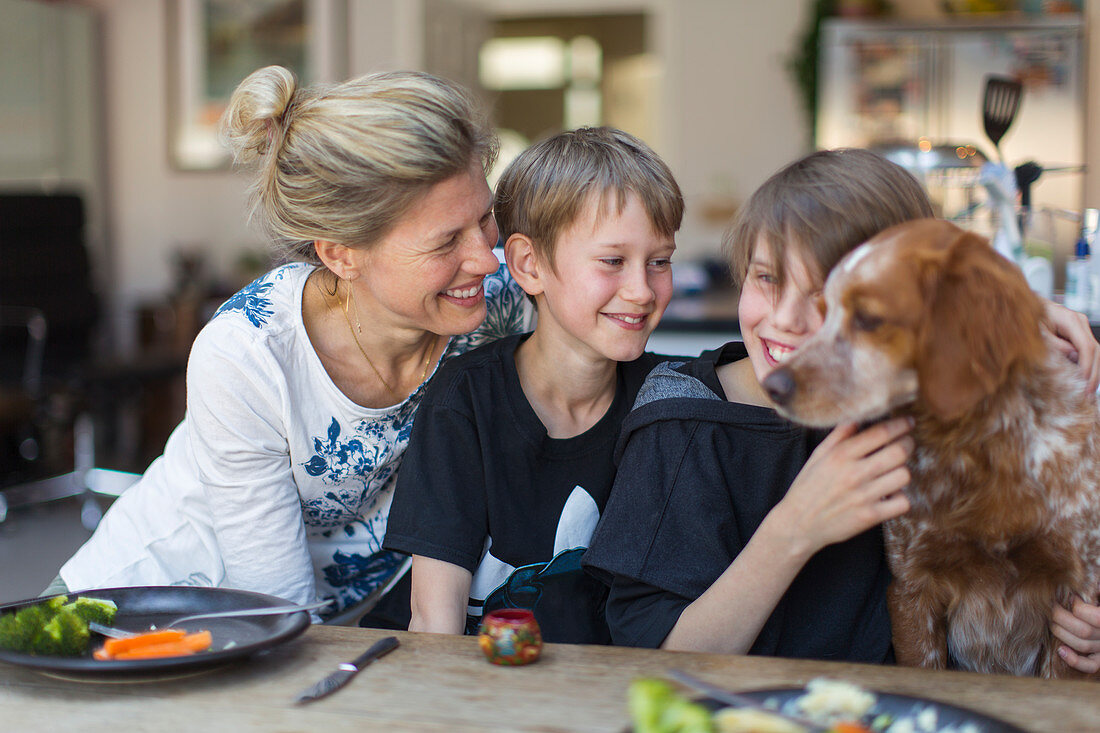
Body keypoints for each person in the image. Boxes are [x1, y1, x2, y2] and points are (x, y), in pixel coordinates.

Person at [582, 148, 1100, 670]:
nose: (784, 320)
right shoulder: (683, 424)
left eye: (830, 296)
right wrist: (797, 527)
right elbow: (651, 661)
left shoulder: (911, 400)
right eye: (767, 278)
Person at [51, 66, 532, 626]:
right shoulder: (249, 355)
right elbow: (278, 605)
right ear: (341, 254)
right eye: (446, 241)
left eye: (484, 217)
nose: (482, 257)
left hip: (336, 618)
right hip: (159, 600)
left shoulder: (490, 302)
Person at [382, 127, 683, 643]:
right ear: (529, 264)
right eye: (613, 261)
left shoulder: (668, 401)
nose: (640, 290)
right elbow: (434, 623)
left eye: (659, 261)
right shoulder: (466, 402)